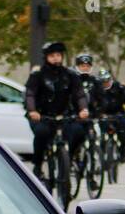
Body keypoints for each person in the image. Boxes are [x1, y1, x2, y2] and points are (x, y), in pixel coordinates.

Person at [24, 41, 89, 179]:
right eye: (52, 55)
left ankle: (69, 159)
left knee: (79, 131)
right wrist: (32, 111)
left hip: (63, 116)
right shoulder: (38, 75)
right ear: (46, 57)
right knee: (42, 133)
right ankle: (38, 164)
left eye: (58, 55)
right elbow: (30, 94)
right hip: (42, 116)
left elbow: (79, 94)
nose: (56, 58)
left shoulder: (70, 74)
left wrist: (83, 109)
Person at [96, 69, 125, 163]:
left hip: (119, 115)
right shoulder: (96, 89)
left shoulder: (119, 87)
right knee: (101, 136)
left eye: (107, 81)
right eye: (103, 82)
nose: (105, 84)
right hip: (103, 115)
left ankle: (122, 152)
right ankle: (102, 155)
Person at [70, 53, 99, 165]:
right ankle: (72, 157)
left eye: (87, 66)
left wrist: (99, 113)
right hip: (75, 116)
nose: (85, 68)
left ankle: (92, 167)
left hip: (90, 116)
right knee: (77, 135)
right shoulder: (72, 80)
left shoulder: (95, 81)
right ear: (77, 66)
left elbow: (102, 99)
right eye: (82, 66)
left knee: (93, 137)